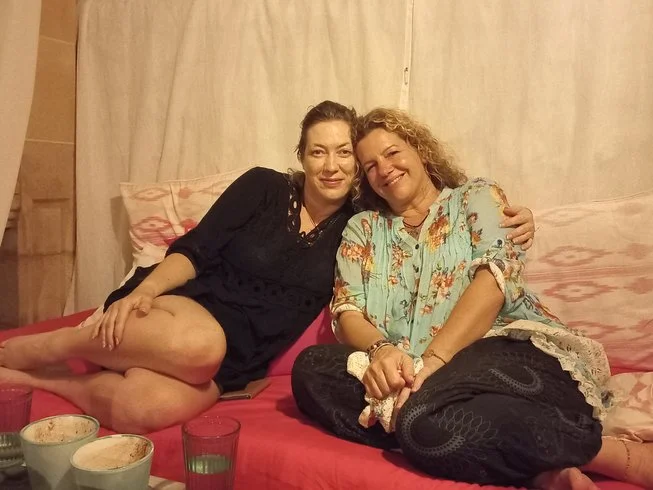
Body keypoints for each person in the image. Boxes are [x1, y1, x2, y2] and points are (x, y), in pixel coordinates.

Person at [0, 101, 535, 435]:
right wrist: (147, 290)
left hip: (240, 358)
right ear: (301, 155)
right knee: (199, 346)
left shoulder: (362, 224)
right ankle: (53, 345)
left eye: (345, 154)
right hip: (189, 313)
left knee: (144, 408)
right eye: (318, 152)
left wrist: (516, 219)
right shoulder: (262, 186)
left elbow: (434, 208)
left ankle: (35, 380)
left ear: (357, 167)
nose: (332, 165)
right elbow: (197, 249)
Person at [291, 107, 653, 490]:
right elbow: (347, 309)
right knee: (313, 369)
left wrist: (432, 361)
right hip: (412, 372)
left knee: (421, 412)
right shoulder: (362, 228)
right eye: (370, 166)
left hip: (505, 351)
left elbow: (493, 281)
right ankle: (536, 468)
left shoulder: (475, 197)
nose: (384, 169)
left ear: (420, 150)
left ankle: (614, 456)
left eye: (393, 152)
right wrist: (381, 351)